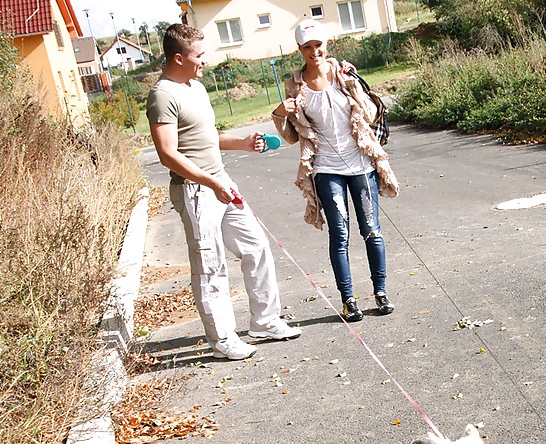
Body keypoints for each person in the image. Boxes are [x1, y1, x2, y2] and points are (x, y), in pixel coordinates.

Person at [147, 24, 301, 360]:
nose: (205, 60)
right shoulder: (162, 95)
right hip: (196, 191)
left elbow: (205, 137)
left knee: (256, 247)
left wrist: (242, 144)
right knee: (210, 265)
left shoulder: (196, 88)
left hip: (221, 182)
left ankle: (265, 320)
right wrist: (211, 182)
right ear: (178, 57)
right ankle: (222, 340)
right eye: (198, 55)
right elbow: (167, 153)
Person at [271, 19, 399, 323]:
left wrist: (353, 82)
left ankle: (380, 293)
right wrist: (279, 113)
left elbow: (368, 115)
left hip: (361, 165)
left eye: (318, 45)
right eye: (307, 47)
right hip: (326, 168)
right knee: (339, 234)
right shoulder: (295, 85)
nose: (314, 52)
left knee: (371, 230)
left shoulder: (344, 73)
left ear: (325, 45)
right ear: (299, 50)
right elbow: (291, 136)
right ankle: (348, 300)